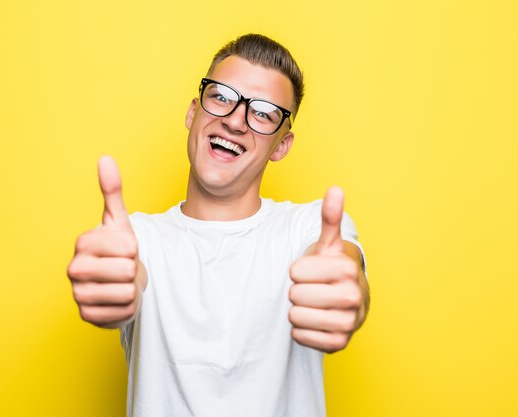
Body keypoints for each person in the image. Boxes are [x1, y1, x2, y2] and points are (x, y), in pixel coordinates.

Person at [67, 34, 370, 417]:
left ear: (281, 145)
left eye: (262, 113)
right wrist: (108, 285)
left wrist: (344, 289)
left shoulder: (309, 228)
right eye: (223, 97)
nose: (235, 121)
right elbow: (127, 276)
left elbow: (343, 269)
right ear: (194, 113)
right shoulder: (137, 239)